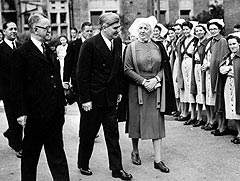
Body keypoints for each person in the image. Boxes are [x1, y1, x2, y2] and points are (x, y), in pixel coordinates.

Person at [10, 13, 69, 180]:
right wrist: (21, 113)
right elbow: (16, 87)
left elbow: (55, 80)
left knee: (57, 155)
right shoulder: (21, 53)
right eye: (47, 28)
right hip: (34, 115)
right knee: (30, 157)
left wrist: (61, 105)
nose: (50, 31)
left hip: (53, 115)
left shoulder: (49, 50)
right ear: (35, 29)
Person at [76, 12, 133, 180]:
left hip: (109, 98)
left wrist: (119, 91)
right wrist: (85, 99)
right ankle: (83, 163)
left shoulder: (117, 42)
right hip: (93, 100)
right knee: (88, 134)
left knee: (113, 135)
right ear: (104, 27)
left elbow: (117, 70)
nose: (118, 31)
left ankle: (117, 169)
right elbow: (82, 75)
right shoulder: (89, 45)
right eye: (115, 28)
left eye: (119, 27)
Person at [125, 17, 176, 173]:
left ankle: (158, 159)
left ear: (151, 30)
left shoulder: (158, 46)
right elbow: (127, 69)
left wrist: (155, 80)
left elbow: (164, 67)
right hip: (136, 89)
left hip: (156, 88)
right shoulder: (131, 47)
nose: (143, 31)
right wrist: (143, 82)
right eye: (140, 28)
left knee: (156, 122)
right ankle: (135, 151)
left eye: (146, 28)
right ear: (136, 30)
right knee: (136, 120)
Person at [201, 19, 228, 135]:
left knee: (220, 99)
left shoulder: (222, 40)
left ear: (219, 29)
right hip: (209, 72)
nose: (212, 31)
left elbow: (221, 58)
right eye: (210, 29)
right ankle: (218, 123)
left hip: (217, 73)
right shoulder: (210, 41)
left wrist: (210, 65)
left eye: (215, 29)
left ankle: (223, 126)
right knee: (212, 99)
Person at [0, 22, 23, 158]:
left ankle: (10, 134)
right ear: (4, 31)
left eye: (15, 29)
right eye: (11, 29)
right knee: (13, 118)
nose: (14, 31)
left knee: (23, 116)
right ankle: (18, 146)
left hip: (22, 90)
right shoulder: (0, 49)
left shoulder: (20, 48)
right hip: (8, 91)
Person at [63, 22, 93, 105]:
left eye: (91, 31)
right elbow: (68, 63)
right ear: (82, 32)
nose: (89, 33)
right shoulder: (74, 45)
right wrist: (66, 80)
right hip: (77, 81)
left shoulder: (94, 44)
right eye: (87, 31)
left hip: (92, 81)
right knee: (83, 107)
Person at [219, 34, 240, 144]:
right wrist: (226, 68)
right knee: (233, 109)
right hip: (229, 83)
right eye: (230, 44)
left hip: (238, 84)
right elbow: (221, 68)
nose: (232, 46)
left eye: (234, 44)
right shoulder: (228, 56)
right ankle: (239, 133)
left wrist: (230, 68)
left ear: (239, 44)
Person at [178, 21, 197, 125]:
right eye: (184, 29)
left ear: (191, 29)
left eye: (187, 29)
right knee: (185, 88)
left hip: (191, 63)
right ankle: (187, 113)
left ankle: (194, 114)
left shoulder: (195, 39)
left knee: (191, 88)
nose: (185, 31)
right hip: (183, 63)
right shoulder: (182, 40)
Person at [191, 25, 209, 127]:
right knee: (197, 91)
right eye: (197, 31)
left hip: (203, 67)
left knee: (203, 91)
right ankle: (198, 116)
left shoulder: (206, 42)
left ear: (204, 31)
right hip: (196, 66)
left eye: (201, 30)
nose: (199, 32)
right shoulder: (196, 42)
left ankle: (205, 117)